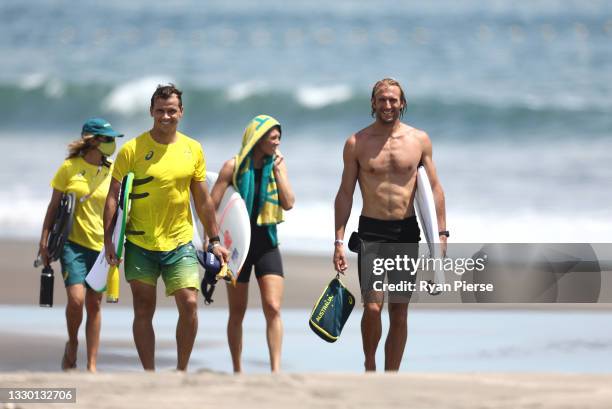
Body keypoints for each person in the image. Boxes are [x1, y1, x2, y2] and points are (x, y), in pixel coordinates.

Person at [103, 84, 228, 371]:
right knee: (144, 309)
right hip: (139, 242)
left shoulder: (192, 149)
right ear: (151, 112)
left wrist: (214, 239)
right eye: (160, 111)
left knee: (190, 304)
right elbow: (113, 197)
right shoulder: (132, 150)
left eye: (172, 110)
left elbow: (202, 199)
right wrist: (109, 240)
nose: (166, 116)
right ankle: (150, 373)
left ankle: (181, 371)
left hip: (180, 241)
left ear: (181, 112)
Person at [333, 78, 447, 371]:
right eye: (382, 100)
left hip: (406, 233)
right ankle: (370, 366)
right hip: (371, 232)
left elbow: (434, 188)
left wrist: (442, 234)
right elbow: (345, 193)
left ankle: (391, 376)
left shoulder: (419, 140)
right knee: (372, 306)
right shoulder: (357, 143)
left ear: (402, 103)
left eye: (393, 100)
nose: (387, 105)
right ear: (373, 103)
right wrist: (338, 240)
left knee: (399, 310)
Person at [211, 115, 295, 373]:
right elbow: (211, 206)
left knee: (273, 306)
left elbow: (289, 202)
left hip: (267, 242)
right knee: (237, 311)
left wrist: (279, 173)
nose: (277, 142)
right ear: (257, 139)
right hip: (236, 247)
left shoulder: (278, 165)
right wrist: (211, 240)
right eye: (272, 137)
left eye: (279, 137)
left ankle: (276, 370)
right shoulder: (232, 167)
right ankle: (237, 369)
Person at [39, 117, 123, 372]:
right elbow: (54, 207)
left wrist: (117, 246)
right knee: (76, 300)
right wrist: (44, 242)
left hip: (101, 247)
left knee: (94, 304)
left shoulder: (113, 172)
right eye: (107, 139)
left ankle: (92, 364)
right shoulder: (69, 168)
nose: (112, 144)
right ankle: (73, 342)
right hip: (72, 245)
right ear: (93, 140)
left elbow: (121, 212)